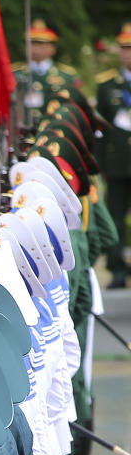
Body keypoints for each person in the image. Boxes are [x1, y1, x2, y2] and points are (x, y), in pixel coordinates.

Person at [96, 21, 131, 288]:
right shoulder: (106, 84)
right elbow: (101, 129)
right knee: (115, 218)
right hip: (117, 161)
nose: (127, 54)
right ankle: (117, 268)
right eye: (124, 49)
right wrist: (99, 163)